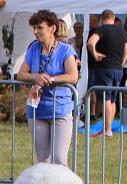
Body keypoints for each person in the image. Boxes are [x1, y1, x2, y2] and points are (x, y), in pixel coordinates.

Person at [15, 9, 79, 165]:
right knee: (42, 159)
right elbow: (21, 74)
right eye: (34, 28)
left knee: (59, 159)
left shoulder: (65, 50)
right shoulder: (33, 49)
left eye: (40, 28)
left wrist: (49, 79)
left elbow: (72, 76)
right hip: (37, 110)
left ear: (52, 28)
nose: (36, 32)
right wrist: (36, 77)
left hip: (60, 109)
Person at [86, 9, 127, 138]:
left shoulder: (102, 30)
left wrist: (95, 54)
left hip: (105, 68)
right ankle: (109, 128)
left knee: (106, 98)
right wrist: (121, 64)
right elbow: (126, 52)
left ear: (101, 19)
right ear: (114, 18)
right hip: (118, 69)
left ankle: (107, 130)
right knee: (112, 99)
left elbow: (90, 43)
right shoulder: (122, 32)